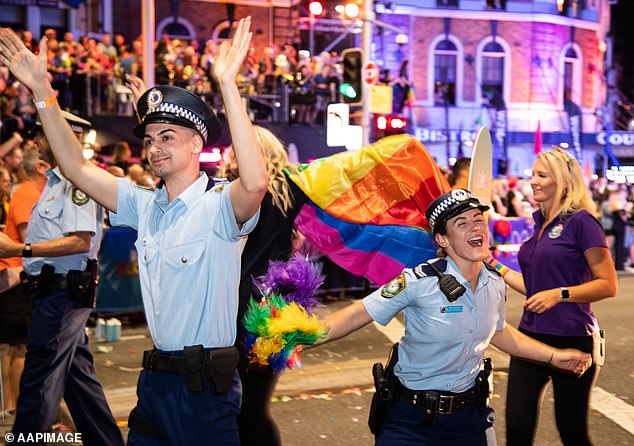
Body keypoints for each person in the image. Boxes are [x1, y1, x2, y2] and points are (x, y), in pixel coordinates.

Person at [0, 18, 268, 444]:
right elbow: (75, 166)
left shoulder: (219, 206)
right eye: (149, 140)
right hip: (154, 384)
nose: (154, 147)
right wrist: (41, 90)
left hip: (205, 394)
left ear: (198, 144)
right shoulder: (144, 206)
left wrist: (228, 85)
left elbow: (255, 183)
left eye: (167, 137)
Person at [320, 188, 592, 446]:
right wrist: (304, 335)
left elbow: (497, 332)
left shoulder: (495, 283)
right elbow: (359, 312)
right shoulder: (419, 281)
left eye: (478, 219)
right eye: (461, 223)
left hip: (468, 419)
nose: (475, 228)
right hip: (408, 421)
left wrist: (554, 357)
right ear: (442, 239)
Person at [0, 109, 123, 444]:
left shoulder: (74, 181)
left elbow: (79, 242)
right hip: (55, 291)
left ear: (58, 135)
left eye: (41, 134)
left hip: (62, 292)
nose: (36, 141)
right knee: (79, 384)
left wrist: (19, 249)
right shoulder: (58, 181)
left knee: (38, 382)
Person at [489, 147, 618, 446]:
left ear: (562, 181)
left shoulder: (583, 222)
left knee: (572, 432)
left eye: (541, 175)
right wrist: (491, 263)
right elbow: (536, 288)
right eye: (533, 174)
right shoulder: (539, 224)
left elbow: (608, 284)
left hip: (573, 338)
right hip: (529, 338)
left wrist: (559, 295)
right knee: (517, 430)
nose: (533, 181)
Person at [219, 125, 308, 446]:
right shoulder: (293, 189)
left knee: (239, 407)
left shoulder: (233, 190)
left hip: (236, 306)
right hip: (275, 310)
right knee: (253, 406)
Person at [0, 146, 47, 418]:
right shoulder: (27, 194)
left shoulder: (32, 193)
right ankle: (16, 407)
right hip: (16, 277)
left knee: (18, 347)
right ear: (39, 167)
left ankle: (11, 404)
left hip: (18, 276)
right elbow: (28, 241)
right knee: (21, 347)